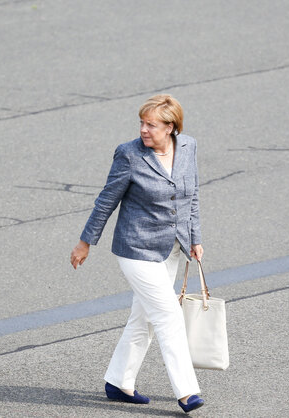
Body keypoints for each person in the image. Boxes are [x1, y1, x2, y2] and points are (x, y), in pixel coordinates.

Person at [70, 94, 205, 413]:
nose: (144, 130)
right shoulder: (129, 155)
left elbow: (192, 194)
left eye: (151, 124)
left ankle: (118, 381)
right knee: (168, 315)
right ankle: (187, 392)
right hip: (136, 248)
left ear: (171, 127)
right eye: (142, 123)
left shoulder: (188, 147)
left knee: (143, 318)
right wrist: (85, 241)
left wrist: (195, 238)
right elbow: (106, 200)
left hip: (172, 246)